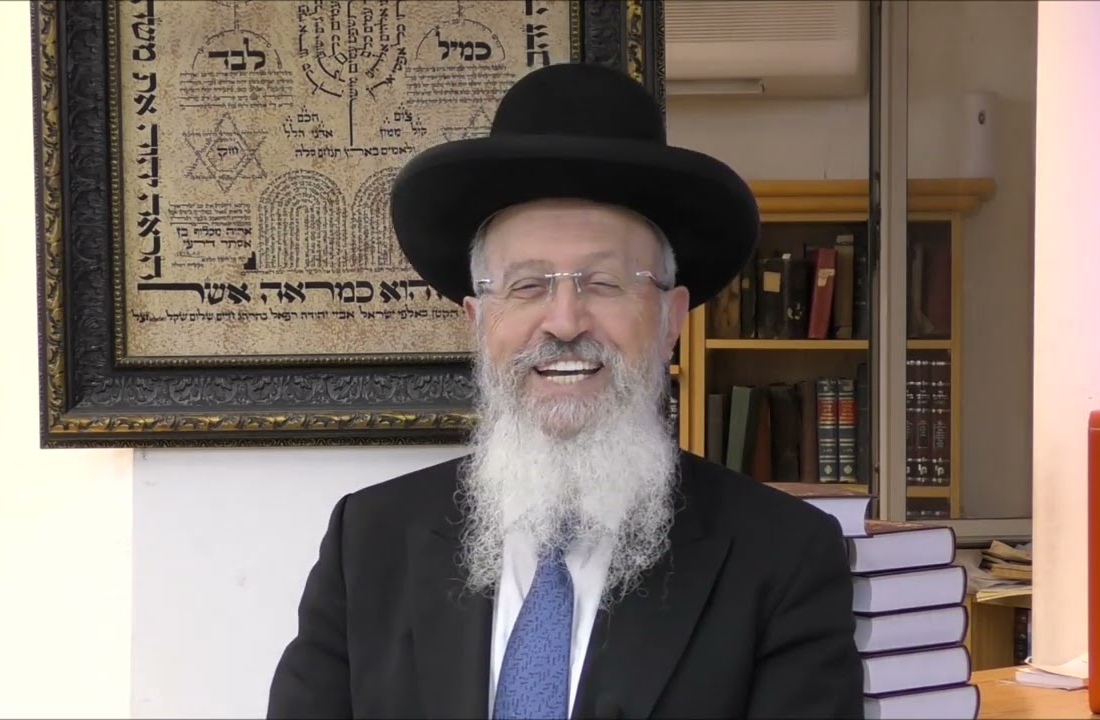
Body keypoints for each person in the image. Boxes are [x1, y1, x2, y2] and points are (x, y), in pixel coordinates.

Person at [267, 62, 863, 719]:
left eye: (603, 283)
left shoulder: (783, 557)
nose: (565, 321)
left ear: (671, 319)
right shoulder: (370, 541)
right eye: (526, 286)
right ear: (478, 322)